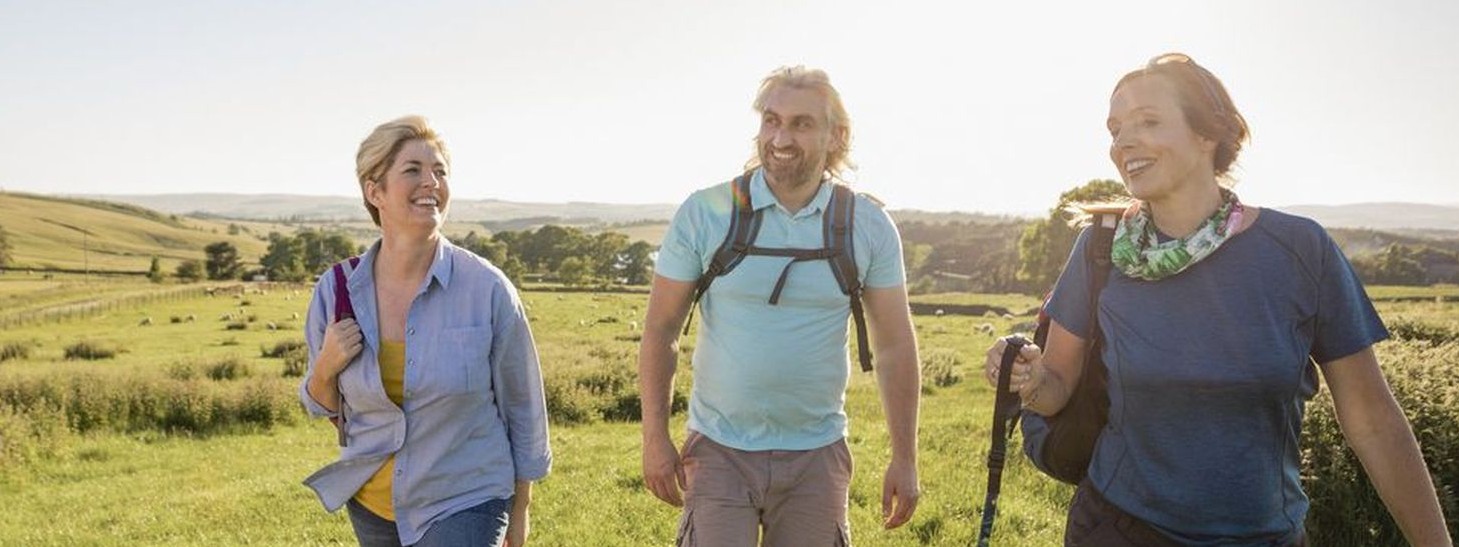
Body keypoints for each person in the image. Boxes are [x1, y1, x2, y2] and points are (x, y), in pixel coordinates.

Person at [985, 53, 1452, 546]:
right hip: (1118, 528)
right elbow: (1057, 387)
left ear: (1207, 133)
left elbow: (1373, 420)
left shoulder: (1300, 251)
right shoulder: (1101, 248)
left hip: (1265, 537)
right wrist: (1031, 380)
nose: (1123, 141)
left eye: (1148, 121)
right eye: (1115, 128)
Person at [638, 65, 922, 546]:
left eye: (801, 124)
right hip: (719, 450)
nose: (780, 137)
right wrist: (655, 439)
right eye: (771, 121)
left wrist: (905, 457)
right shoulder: (707, 211)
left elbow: (895, 345)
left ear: (837, 136)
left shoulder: (866, 225)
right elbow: (661, 332)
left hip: (817, 453)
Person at [299, 115, 551, 547]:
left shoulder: (487, 289)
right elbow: (323, 405)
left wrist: (520, 509)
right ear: (373, 190)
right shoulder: (337, 290)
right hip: (374, 506)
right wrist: (325, 368)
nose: (431, 182)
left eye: (440, 171)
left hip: (468, 497)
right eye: (412, 170)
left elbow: (523, 406)